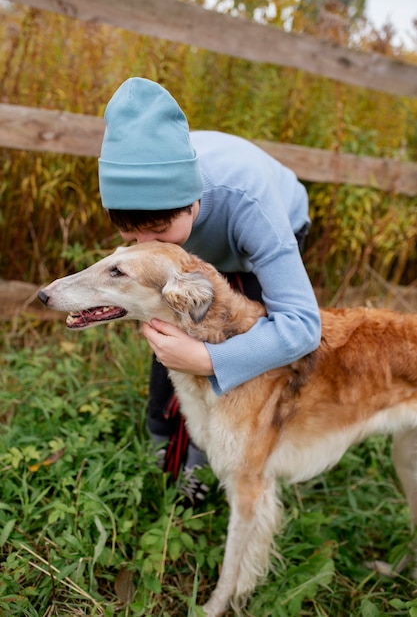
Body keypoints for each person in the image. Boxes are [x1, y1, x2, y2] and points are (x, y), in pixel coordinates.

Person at [98, 77, 321, 504]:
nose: (150, 248)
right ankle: (160, 440)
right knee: (171, 329)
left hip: (260, 240)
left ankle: (204, 461)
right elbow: (151, 234)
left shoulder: (252, 204)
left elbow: (302, 327)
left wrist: (208, 359)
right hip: (202, 241)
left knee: (233, 342)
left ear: (194, 199)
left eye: (161, 231)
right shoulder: (140, 190)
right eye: (130, 234)